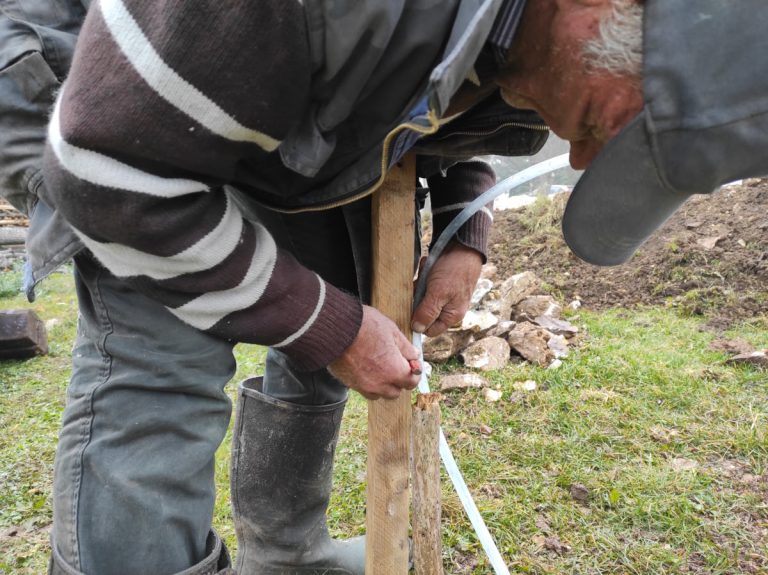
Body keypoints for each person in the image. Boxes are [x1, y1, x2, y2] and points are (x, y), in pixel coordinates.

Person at [2, 0, 765, 573]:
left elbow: (451, 95)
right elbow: (111, 176)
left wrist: (467, 232)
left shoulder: (541, 42)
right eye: (604, 126)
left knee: (338, 286)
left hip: (271, 104)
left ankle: (288, 548)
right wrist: (328, 326)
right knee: (164, 356)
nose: (578, 153)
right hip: (105, 104)